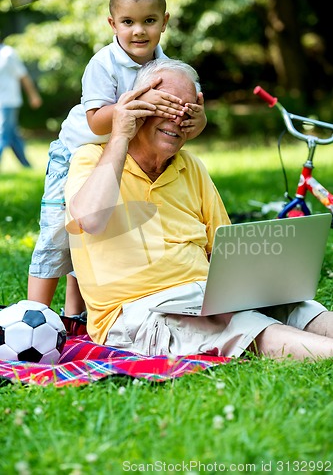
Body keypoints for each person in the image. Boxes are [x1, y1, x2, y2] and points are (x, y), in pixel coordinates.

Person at [65, 58, 333, 360]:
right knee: (241, 325)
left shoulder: (190, 166)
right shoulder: (92, 158)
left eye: (187, 110)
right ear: (138, 104)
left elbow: (224, 249)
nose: (177, 119)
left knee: (299, 308)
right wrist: (120, 136)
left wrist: (258, 288)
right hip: (138, 312)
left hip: (204, 297)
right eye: (166, 106)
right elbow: (90, 220)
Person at [27, 0, 207, 316]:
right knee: (57, 232)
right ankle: (34, 313)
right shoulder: (103, 64)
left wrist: (198, 122)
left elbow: (183, 123)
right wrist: (138, 101)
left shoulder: (165, 68)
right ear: (113, 23)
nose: (138, 31)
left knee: (93, 237)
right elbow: (95, 121)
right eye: (128, 22)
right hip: (74, 154)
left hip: (118, 156)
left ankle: (74, 315)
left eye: (149, 21)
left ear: (164, 22)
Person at [0, 36, 42, 167]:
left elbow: (23, 75)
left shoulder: (8, 53)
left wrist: (33, 95)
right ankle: (26, 165)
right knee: (12, 135)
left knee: (3, 134)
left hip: (8, 101)